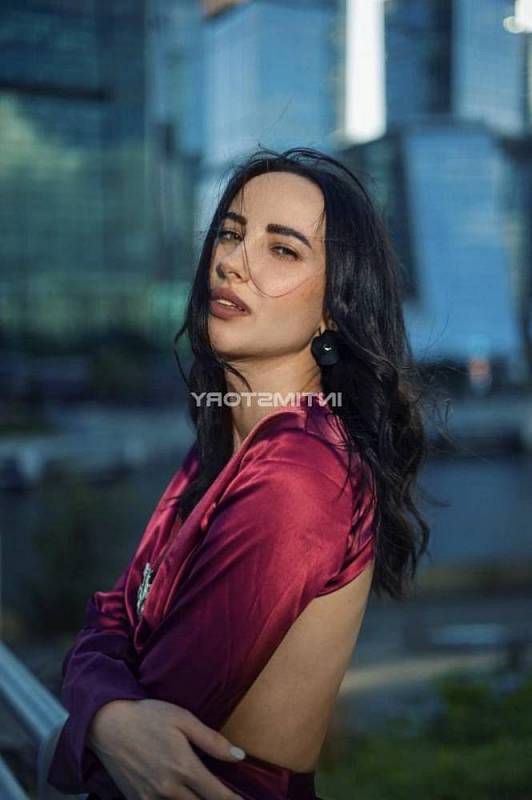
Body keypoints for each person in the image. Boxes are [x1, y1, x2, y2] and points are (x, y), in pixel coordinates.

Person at [47, 147, 432, 800]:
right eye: (230, 234)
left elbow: (157, 728)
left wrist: (97, 708)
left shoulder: (300, 474)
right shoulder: (224, 448)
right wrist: (109, 713)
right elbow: (111, 617)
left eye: (282, 249)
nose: (233, 262)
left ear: (333, 309)